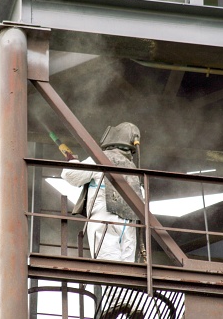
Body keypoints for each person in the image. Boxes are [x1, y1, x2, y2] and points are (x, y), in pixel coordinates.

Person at [61, 122, 144, 318]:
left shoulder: (101, 158)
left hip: (103, 218)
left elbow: (70, 175)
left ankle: (117, 302)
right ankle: (129, 303)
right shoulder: (133, 167)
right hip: (129, 223)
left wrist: (73, 162)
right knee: (127, 262)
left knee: (108, 259)